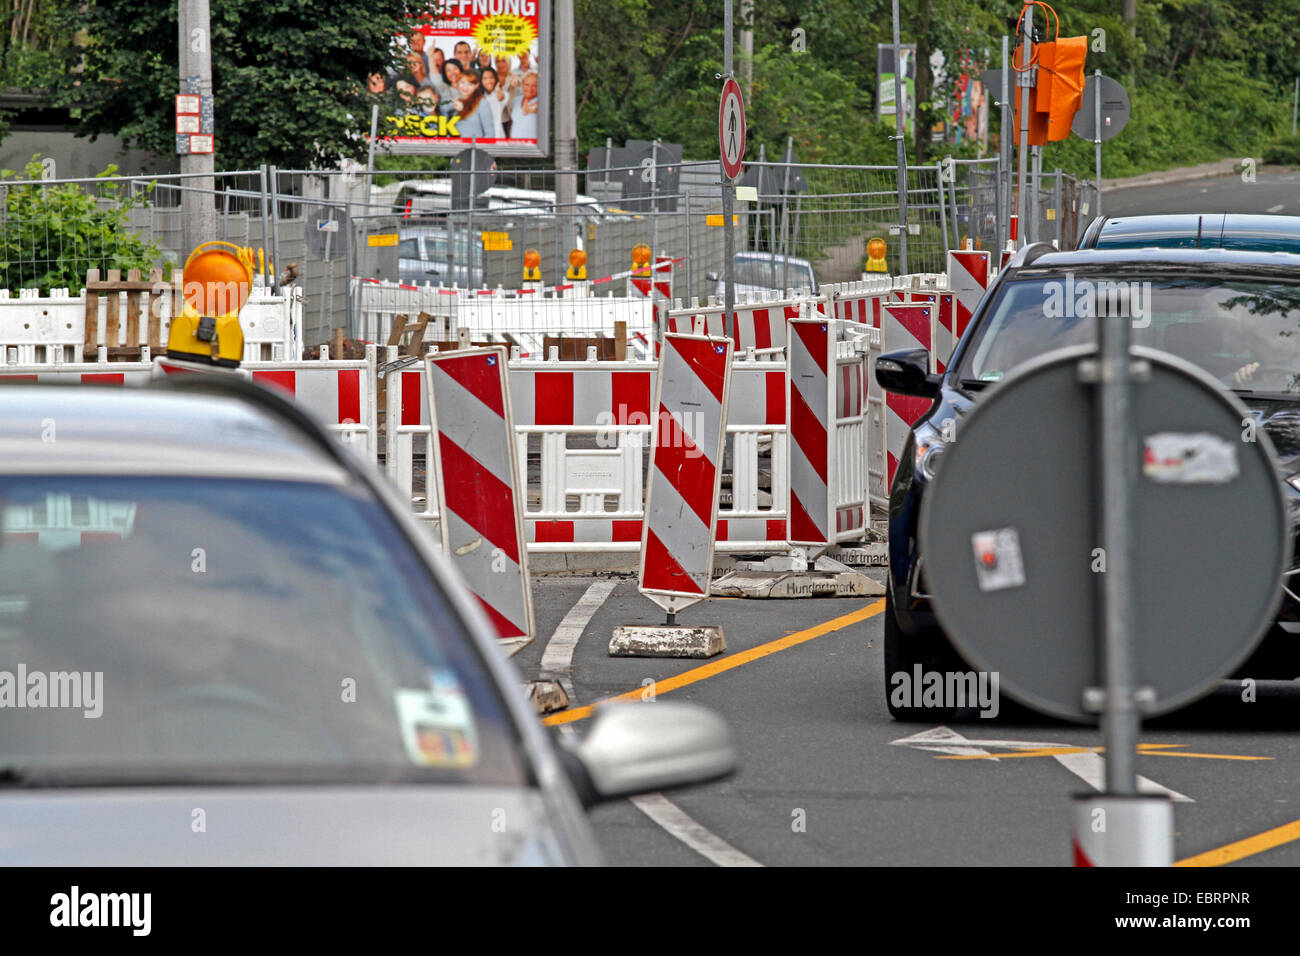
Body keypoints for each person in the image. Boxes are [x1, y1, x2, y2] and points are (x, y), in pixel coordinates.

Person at [453, 71, 494, 140]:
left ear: (476, 86)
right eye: (462, 82)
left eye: (470, 84)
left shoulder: (482, 103)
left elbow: (490, 134)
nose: (465, 87)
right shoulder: (455, 101)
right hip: (456, 147)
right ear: (458, 83)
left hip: (474, 148)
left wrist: (478, 148)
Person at [478, 67, 507, 139]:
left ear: (495, 79)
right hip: (482, 135)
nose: (488, 81)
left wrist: (498, 91)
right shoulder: (478, 97)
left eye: (491, 78)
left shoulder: (502, 93)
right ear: (481, 81)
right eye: (485, 78)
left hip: (498, 135)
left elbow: (502, 98)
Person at [510, 71, 539, 139]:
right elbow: (511, 122)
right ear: (522, 85)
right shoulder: (516, 100)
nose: (530, 89)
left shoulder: (541, 101)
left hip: (532, 145)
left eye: (534, 86)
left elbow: (526, 110)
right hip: (514, 144)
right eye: (527, 84)